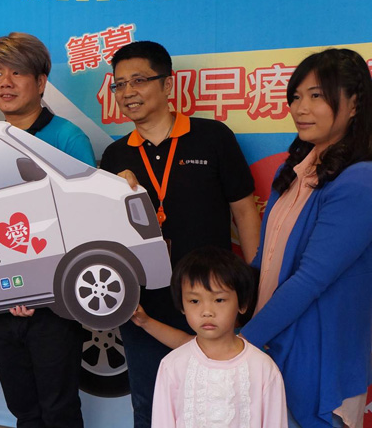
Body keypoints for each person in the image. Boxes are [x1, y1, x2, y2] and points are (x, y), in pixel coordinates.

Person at [98, 41, 260, 428]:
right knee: (151, 406)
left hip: (211, 299)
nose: (128, 92)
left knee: (218, 407)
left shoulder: (212, 137)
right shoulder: (114, 156)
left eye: (139, 80)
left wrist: (254, 281)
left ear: (168, 85)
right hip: (144, 306)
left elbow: (244, 211)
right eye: (120, 84)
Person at [240, 48, 372, 428]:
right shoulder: (292, 171)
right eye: (296, 96)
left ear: (354, 104)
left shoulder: (359, 180)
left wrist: (242, 342)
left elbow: (311, 279)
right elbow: (265, 260)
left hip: (317, 356)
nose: (301, 108)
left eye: (317, 96)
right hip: (271, 341)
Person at [0, 32, 94, 428]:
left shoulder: (67, 137)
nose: (4, 83)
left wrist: (35, 288)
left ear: (40, 82)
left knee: (58, 409)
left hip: (54, 302)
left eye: (17, 73)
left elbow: (84, 220)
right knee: (22, 409)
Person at [150, 246, 287, 427]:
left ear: (242, 304)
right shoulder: (172, 366)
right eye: (194, 301)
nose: (207, 311)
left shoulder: (263, 368)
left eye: (219, 300)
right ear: (182, 305)